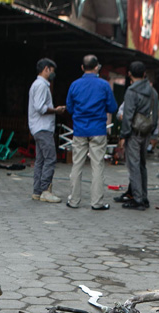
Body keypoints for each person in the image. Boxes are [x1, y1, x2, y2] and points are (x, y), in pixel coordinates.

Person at [66, 55, 118, 210]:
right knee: (97, 166)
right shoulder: (104, 85)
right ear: (97, 67)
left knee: (77, 165)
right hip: (98, 130)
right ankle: (96, 202)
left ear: (82, 67)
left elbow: (69, 108)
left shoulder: (74, 85)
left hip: (79, 130)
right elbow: (113, 107)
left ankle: (74, 201)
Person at [121, 61, 159, 211]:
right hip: (146, 132)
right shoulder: (153, 92)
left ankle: (138, 199)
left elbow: (127, 116)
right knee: (142, 165)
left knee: (134, 165)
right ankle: (144, 197)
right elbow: (155, 116)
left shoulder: (131, 91)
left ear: (129, 74)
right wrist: (151, 131)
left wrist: (124, 135)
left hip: (134, 132)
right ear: (144, 74)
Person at [28, 58, 66, 203]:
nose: (52, 74)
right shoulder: (41, 85)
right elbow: (40, 108)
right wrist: (56, 110)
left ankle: (37, 191)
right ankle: (45, 190)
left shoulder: (37, 84)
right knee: (50, 158)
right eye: (52, 70)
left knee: (40, 160)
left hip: (38, 127)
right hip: (43, 128)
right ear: (46, 69)